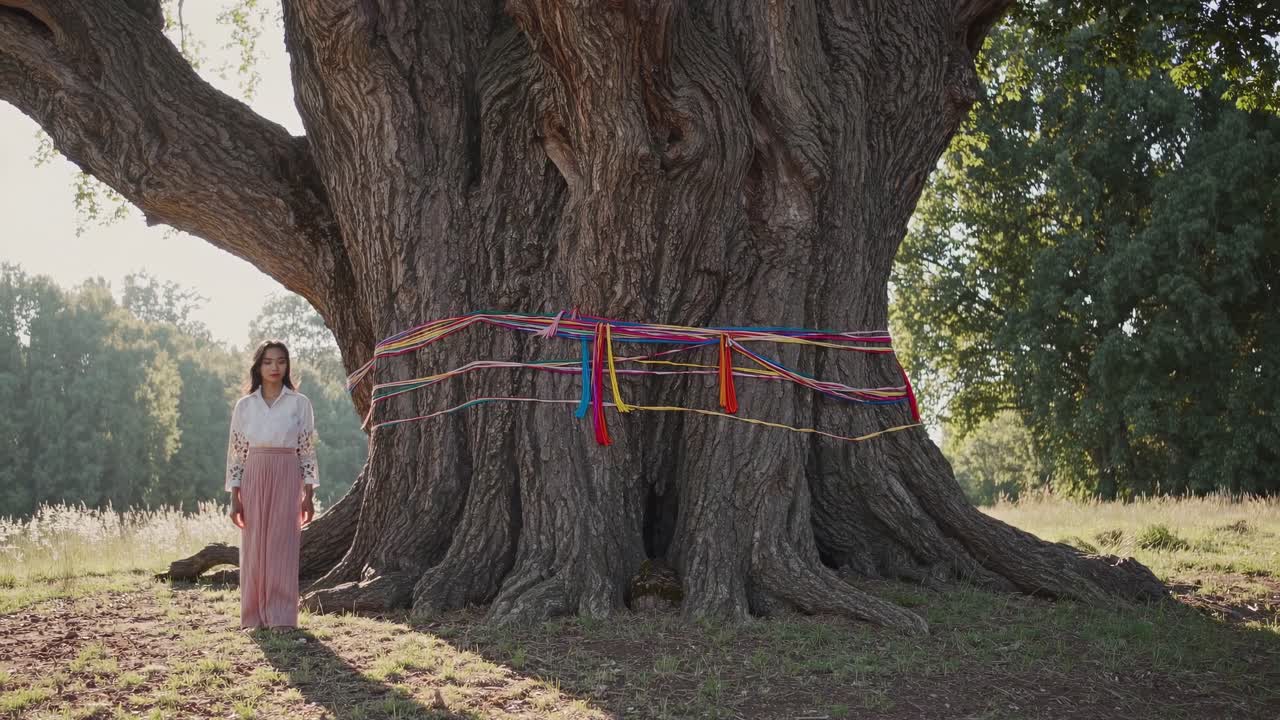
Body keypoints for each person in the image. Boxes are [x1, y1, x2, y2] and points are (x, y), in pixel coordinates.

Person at [224, 340, 319, 631]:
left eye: (280, 361)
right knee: (253, 546)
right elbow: (237, 455)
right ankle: (252, 616)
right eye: (268, 362)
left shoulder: (300, 403)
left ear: (287, 365)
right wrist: (234, 497)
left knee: (282, 544)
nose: (275, 367)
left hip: (287, 472)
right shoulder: (245, 406)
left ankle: (281, 616)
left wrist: (308, 494)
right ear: (258, 366)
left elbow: (307, 451)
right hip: (254, 472)